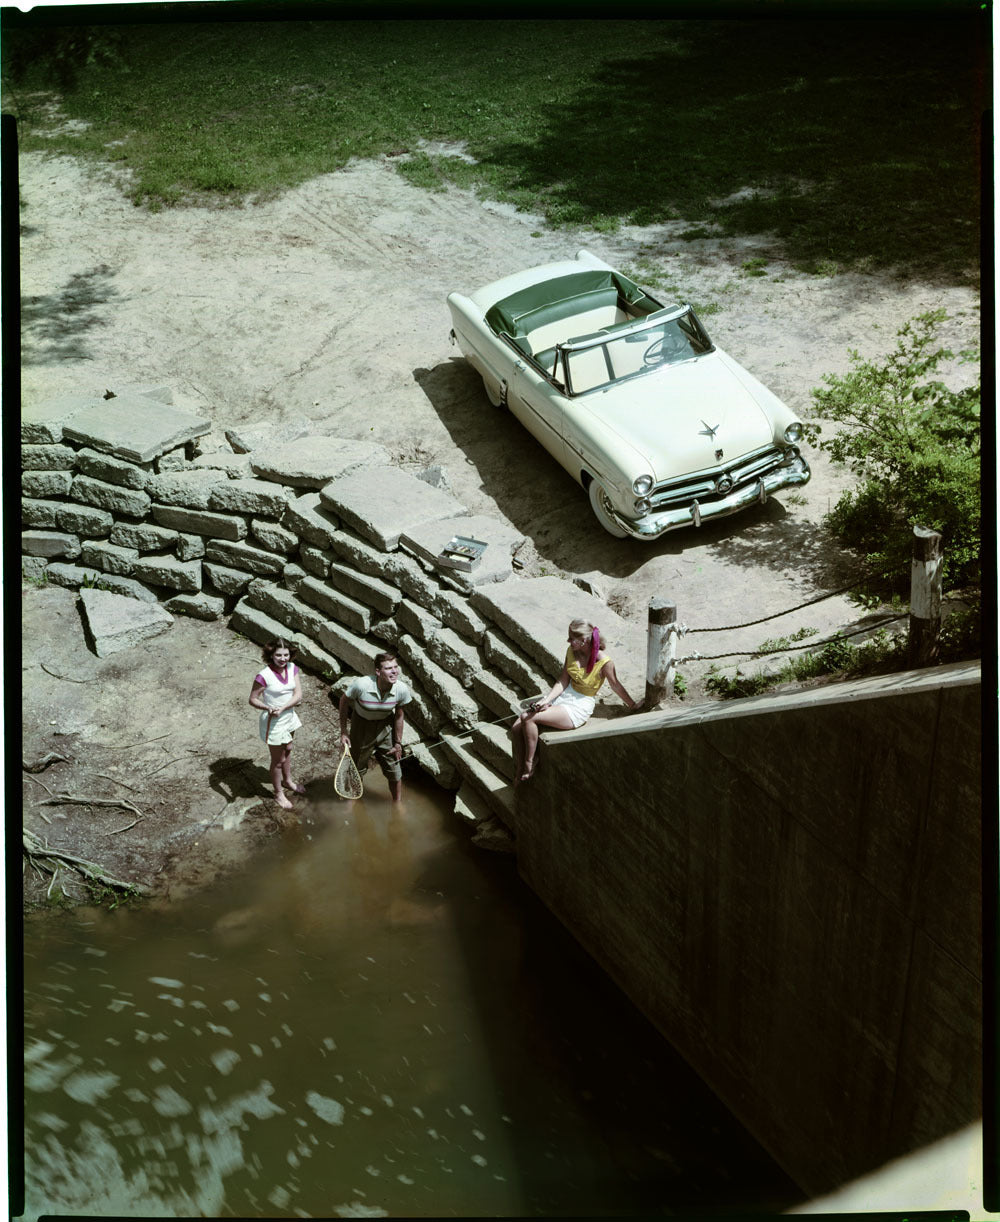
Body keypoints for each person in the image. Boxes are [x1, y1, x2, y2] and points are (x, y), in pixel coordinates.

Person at [512, 619, 641, 784]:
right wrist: (547, 699)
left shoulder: (604, 662)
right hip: (564, 696)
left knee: (527, 718)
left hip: (580, 705)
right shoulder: (571, 651)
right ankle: (519, 769)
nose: (568, 641)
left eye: (572, 638)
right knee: (516, 728)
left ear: (584, 640)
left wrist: (632, 705)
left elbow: (616, 685)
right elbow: (563, 680)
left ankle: (530, 763)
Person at [338, 650, 413, 802]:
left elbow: (399, 715)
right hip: (362, 726)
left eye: (395, 667)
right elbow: (344, 701)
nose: (394, 671)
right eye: (388, 668)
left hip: (386, 726)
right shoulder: (362, 685)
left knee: (394, 767)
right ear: (378, 672)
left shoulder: (401, 689)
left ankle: (397, 803)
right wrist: (344, 731)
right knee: (357, 766)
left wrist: (398, 742)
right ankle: (354, 798)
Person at [249, 638, 305, 811]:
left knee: (288, 749)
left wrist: (283, 707)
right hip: (274, 722)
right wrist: (268, 707)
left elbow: (298, 694)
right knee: (278, 760)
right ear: (271, 655)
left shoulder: (292, 668)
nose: (283, 659)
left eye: (286, 655)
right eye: (278, 655)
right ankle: (278, 793)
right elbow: (252, 699)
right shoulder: (263, 675)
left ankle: (288, 781)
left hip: (289, 716)